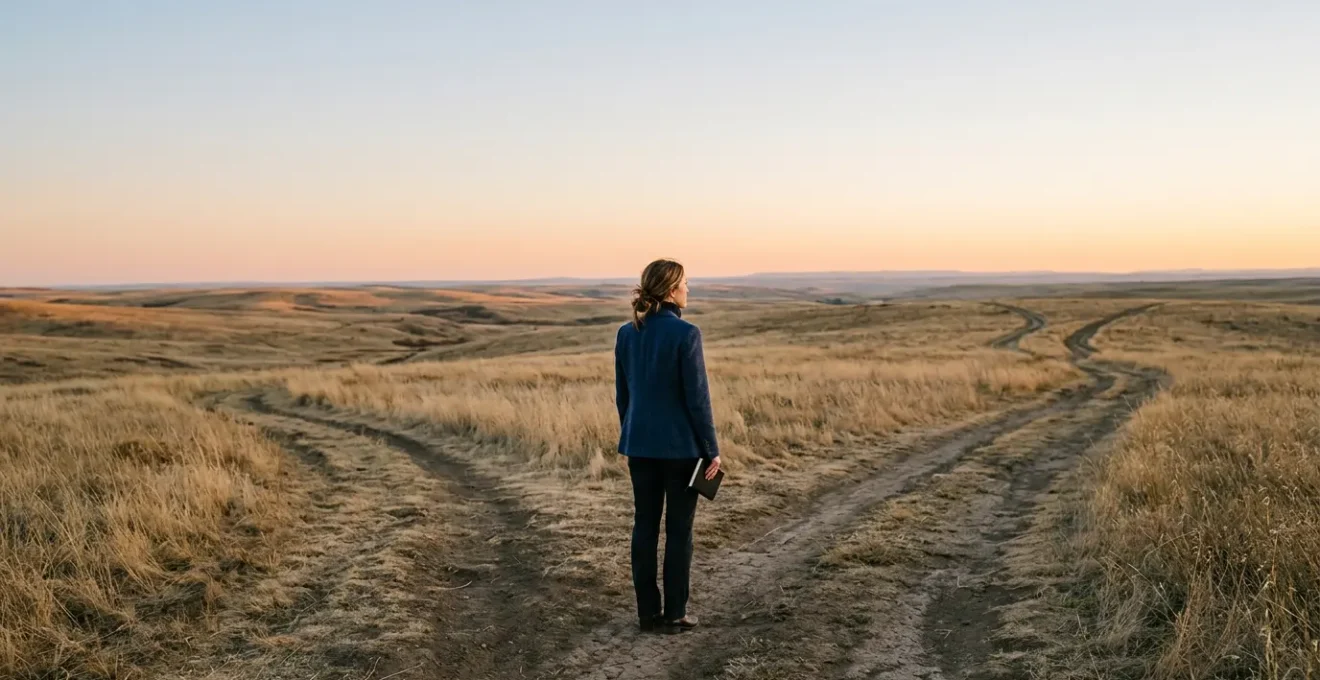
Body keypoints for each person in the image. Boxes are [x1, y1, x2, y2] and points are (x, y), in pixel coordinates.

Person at [614, 258, 721, 633]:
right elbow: (697, 400)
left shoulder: (627, 333)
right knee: (679, 531)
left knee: (643, 527)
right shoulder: (686, 334)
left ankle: (647, 614)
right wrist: (712, 449)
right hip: (681, 451)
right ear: (672, 289)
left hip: (639, 447)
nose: (689, 289)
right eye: (686, 283)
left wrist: (632, 433)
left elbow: (622, 397)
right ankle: (675, 613)